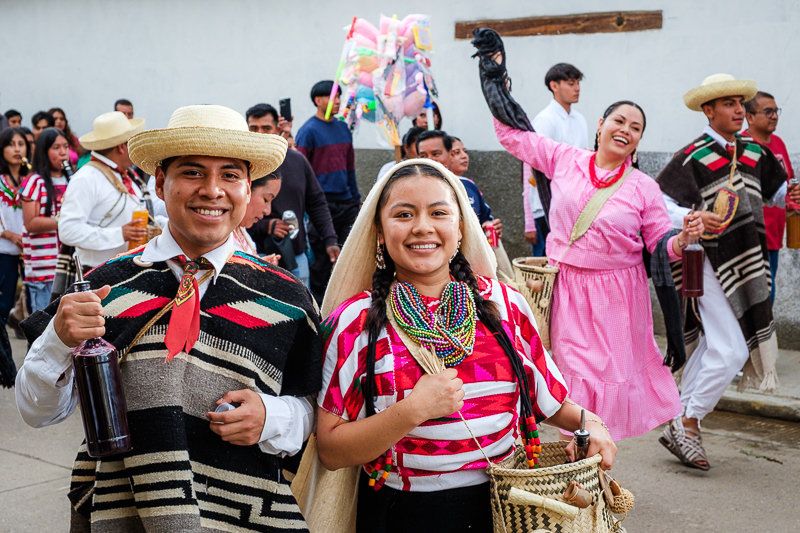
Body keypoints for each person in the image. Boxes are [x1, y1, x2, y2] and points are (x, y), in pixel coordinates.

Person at [15, 104, 321, 531]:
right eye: (192, 172)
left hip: (242, 516)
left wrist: (273, 417)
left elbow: (316, 411)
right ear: (161, 183)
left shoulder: (286, 299)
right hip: (126, 515)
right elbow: (35, 410)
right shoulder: (106, 288)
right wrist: (58, 340)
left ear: (248, 189)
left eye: (230, 175)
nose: (212, 190)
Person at [314, 159, 616, 532]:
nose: (422, 227)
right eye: (404, 214)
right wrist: (413, 410)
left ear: (459, 227)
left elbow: (549, 401)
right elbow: (330, 449)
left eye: (438, 212)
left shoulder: (505, 306)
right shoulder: (355, 323)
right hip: (400, 514)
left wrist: (594, 424)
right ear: (379, 230)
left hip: (507, 508)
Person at [494, 99, 704, 443]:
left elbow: (660, 245)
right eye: (619, 121)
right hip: (567, 290)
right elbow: (513, 137)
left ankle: (591, 468)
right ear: (600, 124)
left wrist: (683, 239)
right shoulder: (564, 159)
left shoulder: (644, 187)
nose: (625, 130)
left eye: (635, 128)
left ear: (638, 141)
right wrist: (494, 78)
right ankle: (576, 464)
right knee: (573, 375)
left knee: (606, 376)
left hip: (618, 296)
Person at [657, 74, 800, 470]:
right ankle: (690, 421)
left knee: (714, 344)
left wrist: (787, 196)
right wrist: (691, 215)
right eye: (730, 104)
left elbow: (771, 192)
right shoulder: (693, 155)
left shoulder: (756, 151)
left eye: (741, 103)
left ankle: (681, 417)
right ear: (709, 110)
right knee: (733, 350)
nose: (740, 111)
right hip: (704, 260)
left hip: (748, 258)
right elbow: (660, 201)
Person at [246, 102, 339, 286]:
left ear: (277, 129)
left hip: (297, 257)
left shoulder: (297, 160)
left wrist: (330, 240)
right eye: (253, 128)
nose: (260, 134)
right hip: (255, 255)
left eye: (266, 128)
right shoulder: (242, 164)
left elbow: (317, 203)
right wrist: (266, 226)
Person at [57, 111, 154, 269]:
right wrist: (119, 234)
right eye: (132, 143)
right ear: (122, 147)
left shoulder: (126, 175)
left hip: (126, 268)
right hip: (97, 273)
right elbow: (68, 230)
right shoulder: (86, 178)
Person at [296, 80, 360, 301]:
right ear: (318, 100)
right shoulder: (308, 131)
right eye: (333, 97)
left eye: (339, 97)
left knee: (349, 256)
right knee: (321, 262)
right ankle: (318, 306)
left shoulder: (343, 128)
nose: (338, 102)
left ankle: (346, 301)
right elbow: (302, 171)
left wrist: (356, 198)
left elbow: (350, 165)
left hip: (347, 203)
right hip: (322, 207)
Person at [524, 63, 589, 257]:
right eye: (570, 83)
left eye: (578, 83)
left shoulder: (580, 120)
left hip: (574, 203)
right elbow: (530, 167)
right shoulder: (545, 120)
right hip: (547, 204)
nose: (577, 88)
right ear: (554, 86)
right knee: (548, 265)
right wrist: (529, 221)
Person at [743, 91, 798, 306]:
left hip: (775, 235)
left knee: (768, 296)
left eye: (776, 111)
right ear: (750, 117)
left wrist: (795, 199)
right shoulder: (743, 145)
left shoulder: (778, 143)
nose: (774, 116)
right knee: (759, 298)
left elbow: (788, 181)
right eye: (768, 111)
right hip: (752, 235)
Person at [19, 128, 70, 311]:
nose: (63, 152)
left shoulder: (72, 180)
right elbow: (31, 223)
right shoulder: (35, 181)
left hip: (67, 266)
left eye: (65, 146)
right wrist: (64, 221)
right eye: (56, 147)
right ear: (44, 151)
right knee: (43, 325)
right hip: (44, 267)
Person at [0, 127, 29, 386]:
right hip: (5, 250)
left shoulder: (31, 179)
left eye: (21, 143)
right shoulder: (0, 180)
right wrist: (7, 234)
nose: (18, 149)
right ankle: (5, 364)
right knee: (3, 306)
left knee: (30, 305)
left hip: (30, 250)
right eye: (12, 144)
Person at [232, 170, 281, 266]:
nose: (268, 211)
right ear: (247, 190)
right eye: (266, 200)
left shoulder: (241, 230)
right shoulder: (220, 237)